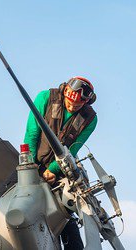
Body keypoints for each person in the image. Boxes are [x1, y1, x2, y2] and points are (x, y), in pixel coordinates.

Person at [24, 76, 97, 249]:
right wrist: (31, 166)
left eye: (78, 105)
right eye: (70, 102)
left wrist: (53, 170)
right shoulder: (45, 98)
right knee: (3, 192)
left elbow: (72, 149)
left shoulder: (90, 119)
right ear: (65, 91)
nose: (72, 106)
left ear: (86, 102)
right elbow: (32, 133)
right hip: (32, 164)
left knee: (65, 216)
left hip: (58, 172)